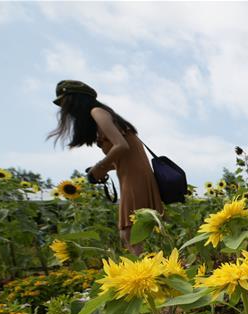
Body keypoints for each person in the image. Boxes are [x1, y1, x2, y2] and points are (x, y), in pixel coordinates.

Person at [48, 80, 163, 253]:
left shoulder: (97, 112)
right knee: (131, 233)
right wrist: (103, 170)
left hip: (135, 178)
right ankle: (147, 268)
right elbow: (126, 156)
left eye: (65, 102)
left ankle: (145, 273)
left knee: (129, 232)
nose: (64, 109)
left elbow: (121, 146)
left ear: (76, 100)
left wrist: (99, 168)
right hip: (131, 176)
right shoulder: (101, 117)